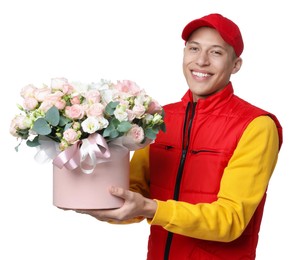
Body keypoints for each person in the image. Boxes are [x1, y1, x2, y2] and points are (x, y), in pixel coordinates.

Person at [75, 13, 283, 259]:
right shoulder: (158, 118)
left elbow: (231, 219)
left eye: (216, 52)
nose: (201, 61)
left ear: (235, 64)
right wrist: (95, 195)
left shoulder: (256, 126)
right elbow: (138, 194)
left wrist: (153, 209)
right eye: (194, 49)